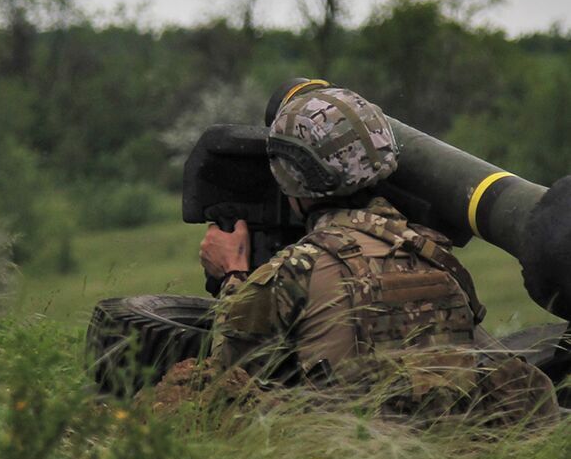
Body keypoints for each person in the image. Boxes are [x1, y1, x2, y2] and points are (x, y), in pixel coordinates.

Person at [196, 85, 556, 423]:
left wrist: (232, 274)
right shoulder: (434, 255)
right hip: (440, 450)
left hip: (343, 453)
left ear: (289, 175)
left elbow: (228, 373)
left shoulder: (297, 269)